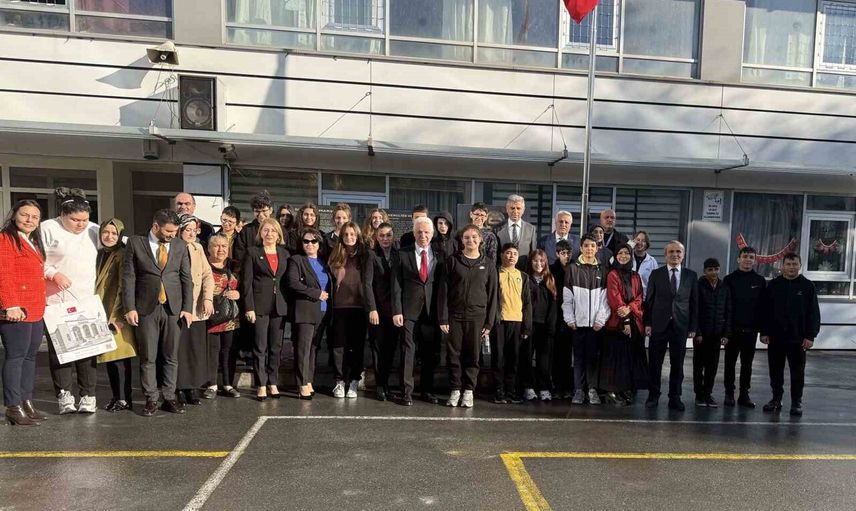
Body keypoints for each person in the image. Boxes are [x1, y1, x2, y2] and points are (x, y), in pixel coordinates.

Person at [122, 209, 194, 417]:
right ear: (155, 226)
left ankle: (169, 397)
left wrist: (187, 308)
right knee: (148, 357)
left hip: (173, 308)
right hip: (146, 308)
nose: (172, 235)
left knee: (171, 356)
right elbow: (129, 277)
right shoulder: (136, 243)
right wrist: (130, 307)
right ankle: (151, 398)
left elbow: (186, 278)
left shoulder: (180, 245)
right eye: (169, 231)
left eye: (175, 231)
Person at [41, 188, 101, 414]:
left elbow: (115, 242)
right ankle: (64, 394)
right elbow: (35, 260)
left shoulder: (94, 229)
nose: (80, 224)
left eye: (84, 219)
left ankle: (88, 394)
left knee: (87, 350)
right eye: (75, 220)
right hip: (56, 300)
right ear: (62, 215)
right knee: (61, 350)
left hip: (86, 299)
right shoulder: (48, 228)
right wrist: (53, 273)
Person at [0, 200, 48, 426]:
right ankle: (13, 406)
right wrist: (10, 304)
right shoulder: (5, 239)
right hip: (17, 309)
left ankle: (26, 401)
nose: (29, 220)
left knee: (30, 357)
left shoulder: (33, 240)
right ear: (14, 215)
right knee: (16, 357)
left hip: (35, 308)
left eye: (35, 217)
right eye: (24, 215)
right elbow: (3, 274)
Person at [439, 225, 498, 409]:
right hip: (455, 316)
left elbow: (493, 295)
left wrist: (489, 322)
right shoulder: (452, 261)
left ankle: (469, 391)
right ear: (461, 240)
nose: (470, 240)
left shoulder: (488, 264)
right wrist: (443, 317)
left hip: (477, 317)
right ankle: (455, 389)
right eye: (466, 237)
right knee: (453, 355)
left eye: (474, 237)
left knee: (472, 355)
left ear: (480, 240)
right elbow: (443, 291)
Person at [392, 217, 444, 406]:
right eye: (419, 232)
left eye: (426, 232)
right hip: (408, 311)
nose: (423, 235)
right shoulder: (402, 254)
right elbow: (396, 285)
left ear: (432, 234)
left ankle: (426, 391)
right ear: (414, 234)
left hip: (430, 312)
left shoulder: (439, 255)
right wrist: (397, 310)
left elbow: (441, 286)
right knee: (408, 351)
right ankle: (406, 392)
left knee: (429, 353)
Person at [760, 253, 820, 417]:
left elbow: (814, 313)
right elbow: (765, 311)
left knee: (797, 373)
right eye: (788, 264)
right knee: (775, 371)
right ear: (783, 266)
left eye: (795, 264)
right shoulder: (774, 285)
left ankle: (796, 402)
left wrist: (810, 336)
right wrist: (764, 332)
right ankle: (776, 399)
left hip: (798, 339)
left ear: (800, 265)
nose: (791, 267)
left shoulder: (808, 286)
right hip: (776, 337)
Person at [644, 240, 698, 411]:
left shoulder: (691, 276)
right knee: (655, 363)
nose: (675, 255)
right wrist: (648, 323)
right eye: (671, 252)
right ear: (665, 254)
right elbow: (649, 301)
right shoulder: (656, 274)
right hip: (658, 325)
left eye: (678, 252)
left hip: (680, 326)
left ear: (683, 255)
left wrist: (693, 327)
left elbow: (694, 303)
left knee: (678, 364)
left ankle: (675, 397)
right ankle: (653, 395)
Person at [242, 217, 289, 401]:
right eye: (266, 230)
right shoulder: (252, 252)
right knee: (260, 347)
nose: (269, 234)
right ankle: (261, 384)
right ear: (260, 233)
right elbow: (246, 283)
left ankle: (272, 382)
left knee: (276, 347)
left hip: (279, 306)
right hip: (259, 306)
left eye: (273, 230)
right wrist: (249, 307)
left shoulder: (284, 254)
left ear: (278, 235)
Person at [328, 221, 375, 399]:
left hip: (359, 307)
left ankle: (354, 380)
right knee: (338, 346)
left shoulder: (365, 256)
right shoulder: (336, 255)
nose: (349, 237)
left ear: (357, 236)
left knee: (357, 346)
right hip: (340, 307)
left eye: (352, 234)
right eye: (346, 234)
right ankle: (339, 381)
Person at [562, 234, 611, 405]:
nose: (589, 249)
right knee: (578, 359)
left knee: (593, 359)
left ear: (597, 248)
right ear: (581, 248)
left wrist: (600, 320)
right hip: (578, 325)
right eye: (586, 246)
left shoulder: (603, 270)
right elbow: (567, 298)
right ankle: (578, 390)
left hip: (596, 326)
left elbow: (606, 300)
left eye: (592, 246)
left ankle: (592, 389)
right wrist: (570, 319)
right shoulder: (572, 268)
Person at [95, 218, 137, 412]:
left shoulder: (122, 254)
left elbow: (123, 287)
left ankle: (124, 398)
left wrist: (117, 316)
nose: (109, 236)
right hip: (102, 311)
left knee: (119, 357)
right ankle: (117, 396)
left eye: (114, 233)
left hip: (116, 314)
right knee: (110, 358)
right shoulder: (101, 253)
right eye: (106, 232)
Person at [287, 227, 332, 400]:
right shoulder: (297, 260)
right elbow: (293, 283)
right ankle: (301, 383)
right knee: (303, 349)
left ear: (319, 243)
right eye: (306, 241)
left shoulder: (323, 261)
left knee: (313, 348)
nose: (310, 244)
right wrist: (316, 293)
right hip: (305, 310)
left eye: (313, 241)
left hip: (322, 311)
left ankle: (309, 380)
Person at [175, 215, 215, 405]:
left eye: (194, 230)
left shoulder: (198, 248)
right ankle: (178, 388)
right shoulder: (174, 248)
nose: (191, 234)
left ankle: (192, 387)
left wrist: (207, 298)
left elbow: (207, 274)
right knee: (179, 350)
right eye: (187, 230)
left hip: (196, 307)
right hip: (178, 308)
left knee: (195, 349)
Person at [601, 243, 645, 406]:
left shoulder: (635, 276)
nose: (623, 256)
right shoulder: (612, 274)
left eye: (627, 253)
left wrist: (629, 308)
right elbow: (614, 298)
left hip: (634, 320)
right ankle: (612, 391)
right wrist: (625, 319)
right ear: (615, 256)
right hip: (616, 323)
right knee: (616, 358)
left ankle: (626, 388)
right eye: (620, 253)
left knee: (629, 358)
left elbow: (639, 297)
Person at [722, 246, 766, 408]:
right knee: (730, 363)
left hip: (750, 331)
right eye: (745, 256)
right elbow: (724, 306)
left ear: (755, 260)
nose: (748, 260)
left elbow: (764, 307)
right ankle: (729, 393)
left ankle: (744, 394)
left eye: (751, 257)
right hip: (732, 330)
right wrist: (724, 330)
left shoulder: (760, 281)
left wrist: (763, 331)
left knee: (747, 364)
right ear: (738, 259)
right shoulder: (729, 279)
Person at [491, 243, 532, 404]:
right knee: (498, 357)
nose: (511, 256)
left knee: (513, 358)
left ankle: (511, 390)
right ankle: (498, 390)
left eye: (515, 253)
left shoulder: (523, 276)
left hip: (517, 321)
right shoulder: (495, 273)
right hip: (499, 322)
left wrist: (527, 326)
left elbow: (527, 303)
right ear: (502, 255)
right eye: (508, 253)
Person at [206, 234, 241, 399]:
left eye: (224, 246)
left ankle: (228, 384)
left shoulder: (235, 266)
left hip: (230, 316)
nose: (220, 249)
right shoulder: (203, 264)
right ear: (209, 248)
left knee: (229, 350)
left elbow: (246, 286)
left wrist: (238, 294)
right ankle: (211, 385)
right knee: (212, 351)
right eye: (216, 246)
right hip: (209, 314)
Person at [693, 258, 731, 408]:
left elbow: (728, 311)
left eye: (716, 269)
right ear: (704, 271)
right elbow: (695, 310)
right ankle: (699, 395)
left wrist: (726, 334)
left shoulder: (724, 287)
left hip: (717, 334)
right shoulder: (698, 286)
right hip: (702, 335)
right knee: (698, 365)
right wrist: (697, 332)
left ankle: (708, 394)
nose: (713, 272)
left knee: (712, 366)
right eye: (710, 270)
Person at [368, 223, 400, 402]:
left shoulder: (398, 255)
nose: (385, 239)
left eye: (388, 235)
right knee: (378, 348)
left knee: (390, 348)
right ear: (377, 237)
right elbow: (367, 284)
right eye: (382, 235)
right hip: (377, 310)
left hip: (394, 311)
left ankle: (386, 384)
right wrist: (372, 308)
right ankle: (380, 385)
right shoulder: (372, 256)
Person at [526, 249, 557, 402]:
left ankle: (544, 387)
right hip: (529, 326)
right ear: (530, 262)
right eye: (535, 261)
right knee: (526, 358)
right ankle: (528, 387)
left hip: (545, 326)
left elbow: (553, 306)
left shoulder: (549, 279)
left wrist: (551, 326)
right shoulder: (525, 278)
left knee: (543, 360)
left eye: (542, 261)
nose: (539, 264)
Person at [550, 240, 574, 400]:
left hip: (573, 316)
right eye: (563, 253)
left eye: (568, 253)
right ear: (557, 254)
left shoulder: (575, 268)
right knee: (557, 354)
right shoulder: (552, 269)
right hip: (557, 316)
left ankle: (568, 386)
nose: (566, 256)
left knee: (569, 355)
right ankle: (558, 386)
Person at [232, 191, 274, 267]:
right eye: (257, 211)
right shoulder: (245, 231)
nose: (261, 215)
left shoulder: (279, 230)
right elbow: (239, 255)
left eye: (264, 211)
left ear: (270, 210)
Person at [495, 194, 537, 270]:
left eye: (518, 208)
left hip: (524, 271)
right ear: (507, 209)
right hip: (503, 271)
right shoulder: (497, 229)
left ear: (523, 210)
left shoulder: (531, 229)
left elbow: (533, 253)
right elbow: (496, 253)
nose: (515, 211)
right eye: (512, 208)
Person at [631, 230, 658, 296]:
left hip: (644, 298)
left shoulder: (652, 261)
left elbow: (656, 283)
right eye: (638, 240)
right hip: (628, 297)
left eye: (643, 241)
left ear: (647, 244)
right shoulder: (627, 257)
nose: (640, 243)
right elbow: (612, 261)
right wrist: (629, 246)